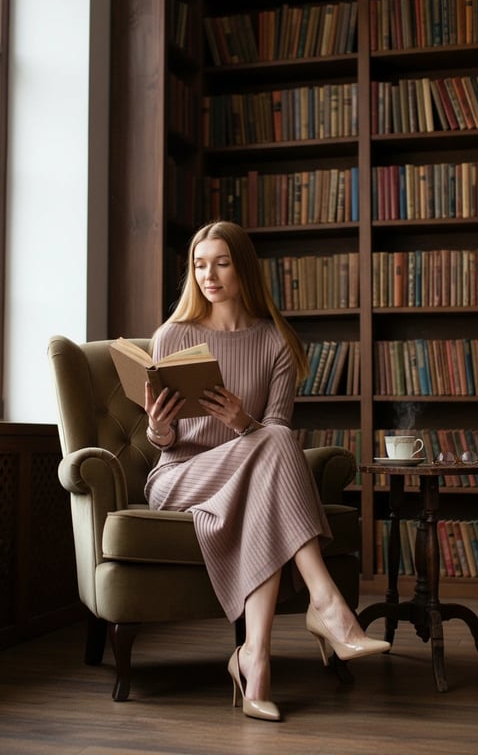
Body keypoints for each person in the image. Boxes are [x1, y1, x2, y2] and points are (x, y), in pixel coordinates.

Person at [144, 220, 389, 721]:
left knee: (269, 465)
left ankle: (254, 664)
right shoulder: (173, 335)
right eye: (199, 264)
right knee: (274, 443)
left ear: (244, 267)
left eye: (221, 262)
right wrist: (158, 429)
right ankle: (329, 607)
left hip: (250, 478)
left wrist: (241, 422)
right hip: (180, 478)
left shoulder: (275, 341)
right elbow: (167, 442)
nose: (208, 275)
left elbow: (271, 431)